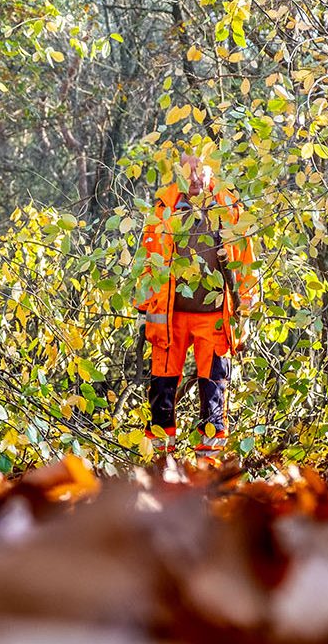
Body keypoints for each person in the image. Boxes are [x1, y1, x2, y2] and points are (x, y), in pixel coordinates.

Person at [135, 148, 257, 459]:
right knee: (161, 389)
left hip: (214, 317)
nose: (193, 180)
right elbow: (147, 262)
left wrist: (246, 311)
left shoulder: (229, 210)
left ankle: (209, 460)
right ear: (177, 175)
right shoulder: (163, 210)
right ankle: (162, 460)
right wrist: (142, 310)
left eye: (198, 174)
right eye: (187, 174)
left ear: (209, 174)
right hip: (169, 317)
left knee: (214, 388)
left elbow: (245, 262)